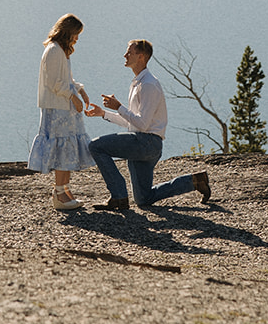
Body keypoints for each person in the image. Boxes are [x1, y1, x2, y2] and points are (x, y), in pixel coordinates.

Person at [84, 38, 211, 211]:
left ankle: (118, 196)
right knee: (143, 199)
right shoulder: (138, 83)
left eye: (130, 52)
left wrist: (119, 106)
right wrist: (104, 113)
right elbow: (133, 121)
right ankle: (195, 181)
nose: (125, 55)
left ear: (141, 57)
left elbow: (142, 124)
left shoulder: (149, 84)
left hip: (146, 143)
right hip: (144, 143)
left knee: (95, 146)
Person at [27, 13, 95, 210]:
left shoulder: (60, 51)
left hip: (64, 106)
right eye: (76, 34)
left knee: (67, 149)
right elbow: (54, 83)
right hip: (58, 108)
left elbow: (66, 79)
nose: (77, 39)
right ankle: (59, 193)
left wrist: (80, 90)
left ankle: (64, 190)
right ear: (67, 32)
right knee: (62, 149)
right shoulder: (54, 51)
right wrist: (73, 96)